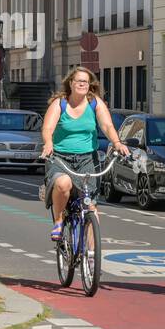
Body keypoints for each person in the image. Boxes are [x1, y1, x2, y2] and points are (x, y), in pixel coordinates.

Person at [40, 68, 129, 242]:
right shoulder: (60, 103)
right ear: (71, 83)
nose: (82, 84)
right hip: (60, 158)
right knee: (63, 184)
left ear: (90, 85)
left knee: (91, 209)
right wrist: (49, 143)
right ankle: (58, 220)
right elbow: (47, 128)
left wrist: (117, 143)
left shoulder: (94, 102)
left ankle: (91, 258)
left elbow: (107, 126)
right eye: (78, 81)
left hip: (88, 159)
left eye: (85, 82)